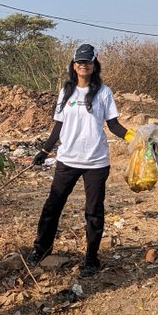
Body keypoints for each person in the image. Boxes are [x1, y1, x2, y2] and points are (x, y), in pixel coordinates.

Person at [28, 44, 134, 277]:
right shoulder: (66, 91)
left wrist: (133, 137)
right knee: (52, 206)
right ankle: (41, 249)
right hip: (67, 159)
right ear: (73, 65)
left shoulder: (104, 92)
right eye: (79, 62)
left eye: (87, 61)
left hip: (96, 161)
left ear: (95, 64)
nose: (83, 65)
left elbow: (113, 125)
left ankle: (91, 258)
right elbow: (59, 124)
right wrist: (45, 151)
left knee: (94, 211)